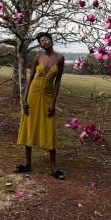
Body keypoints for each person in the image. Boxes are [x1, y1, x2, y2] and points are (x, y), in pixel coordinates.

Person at [15, 32, 65, 179]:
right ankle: (28, 164)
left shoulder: (60, 58)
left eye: (46, 39)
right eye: (41, 41)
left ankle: (53, 168)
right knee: (29, 126)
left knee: (49, 129)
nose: (44, 42)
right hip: (33, 96)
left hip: (48, 98)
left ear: (51, 40)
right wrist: (24, 100)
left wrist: (53, 103)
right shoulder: (38, 58)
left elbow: (58, 82)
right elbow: (29, 79)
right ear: (40, 44)